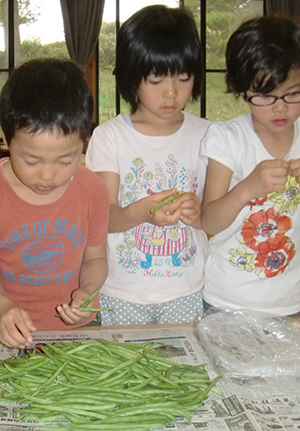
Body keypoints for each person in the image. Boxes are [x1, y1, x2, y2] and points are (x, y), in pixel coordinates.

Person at [200, 15, 300, 316]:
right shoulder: (227, 137)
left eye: (294, 93)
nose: (280, 107)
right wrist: (247, 187)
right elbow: (209, 222)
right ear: (243, 89)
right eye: (265, 95)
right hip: (225, 299)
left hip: (287, 300)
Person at [0, 58, 109, 349]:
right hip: (6, 329)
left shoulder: (93, 191)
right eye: (31, 160)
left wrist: (88, 291)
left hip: (78, 329)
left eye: (66, 160)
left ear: (84, 142)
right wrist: (0, 307)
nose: (48, 175)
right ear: (7, 140)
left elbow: (96, 259)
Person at [85, 5, 210, 325]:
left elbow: (214, 214)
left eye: (183, 78)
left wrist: (199, 212)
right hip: (123, 290)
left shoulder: (207, 134)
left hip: (186, 288)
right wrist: (141, 213)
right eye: (156, 79)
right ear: (131, 77)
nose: (172, 93)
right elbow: (104, 218)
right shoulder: (109, 137)